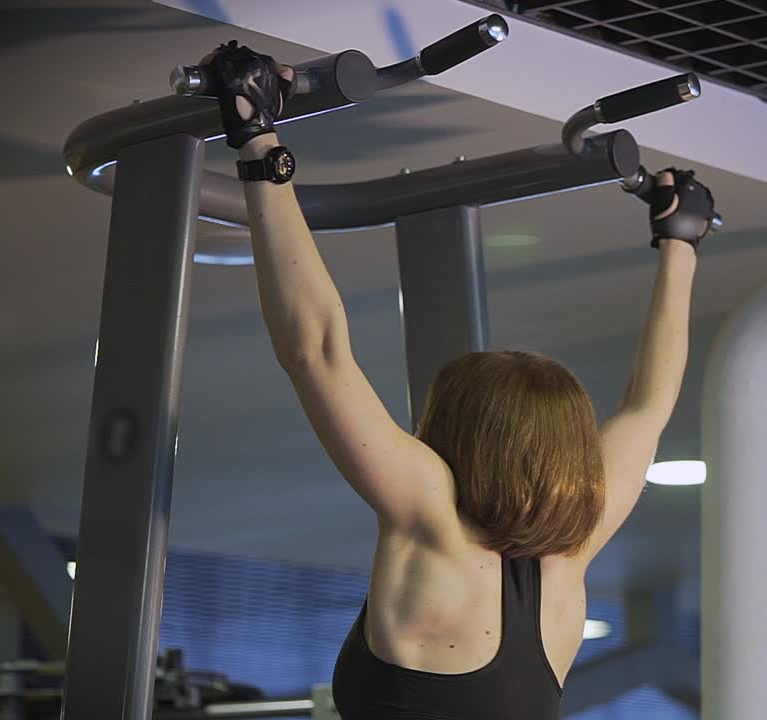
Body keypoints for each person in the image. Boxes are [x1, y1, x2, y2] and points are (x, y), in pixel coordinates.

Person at [201, 42, 717, 720]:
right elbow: (648, 407)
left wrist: (259, 138)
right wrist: (678, 244)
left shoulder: (434, 523)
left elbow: (318, 349)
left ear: (455, 432)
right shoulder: (572, 550)